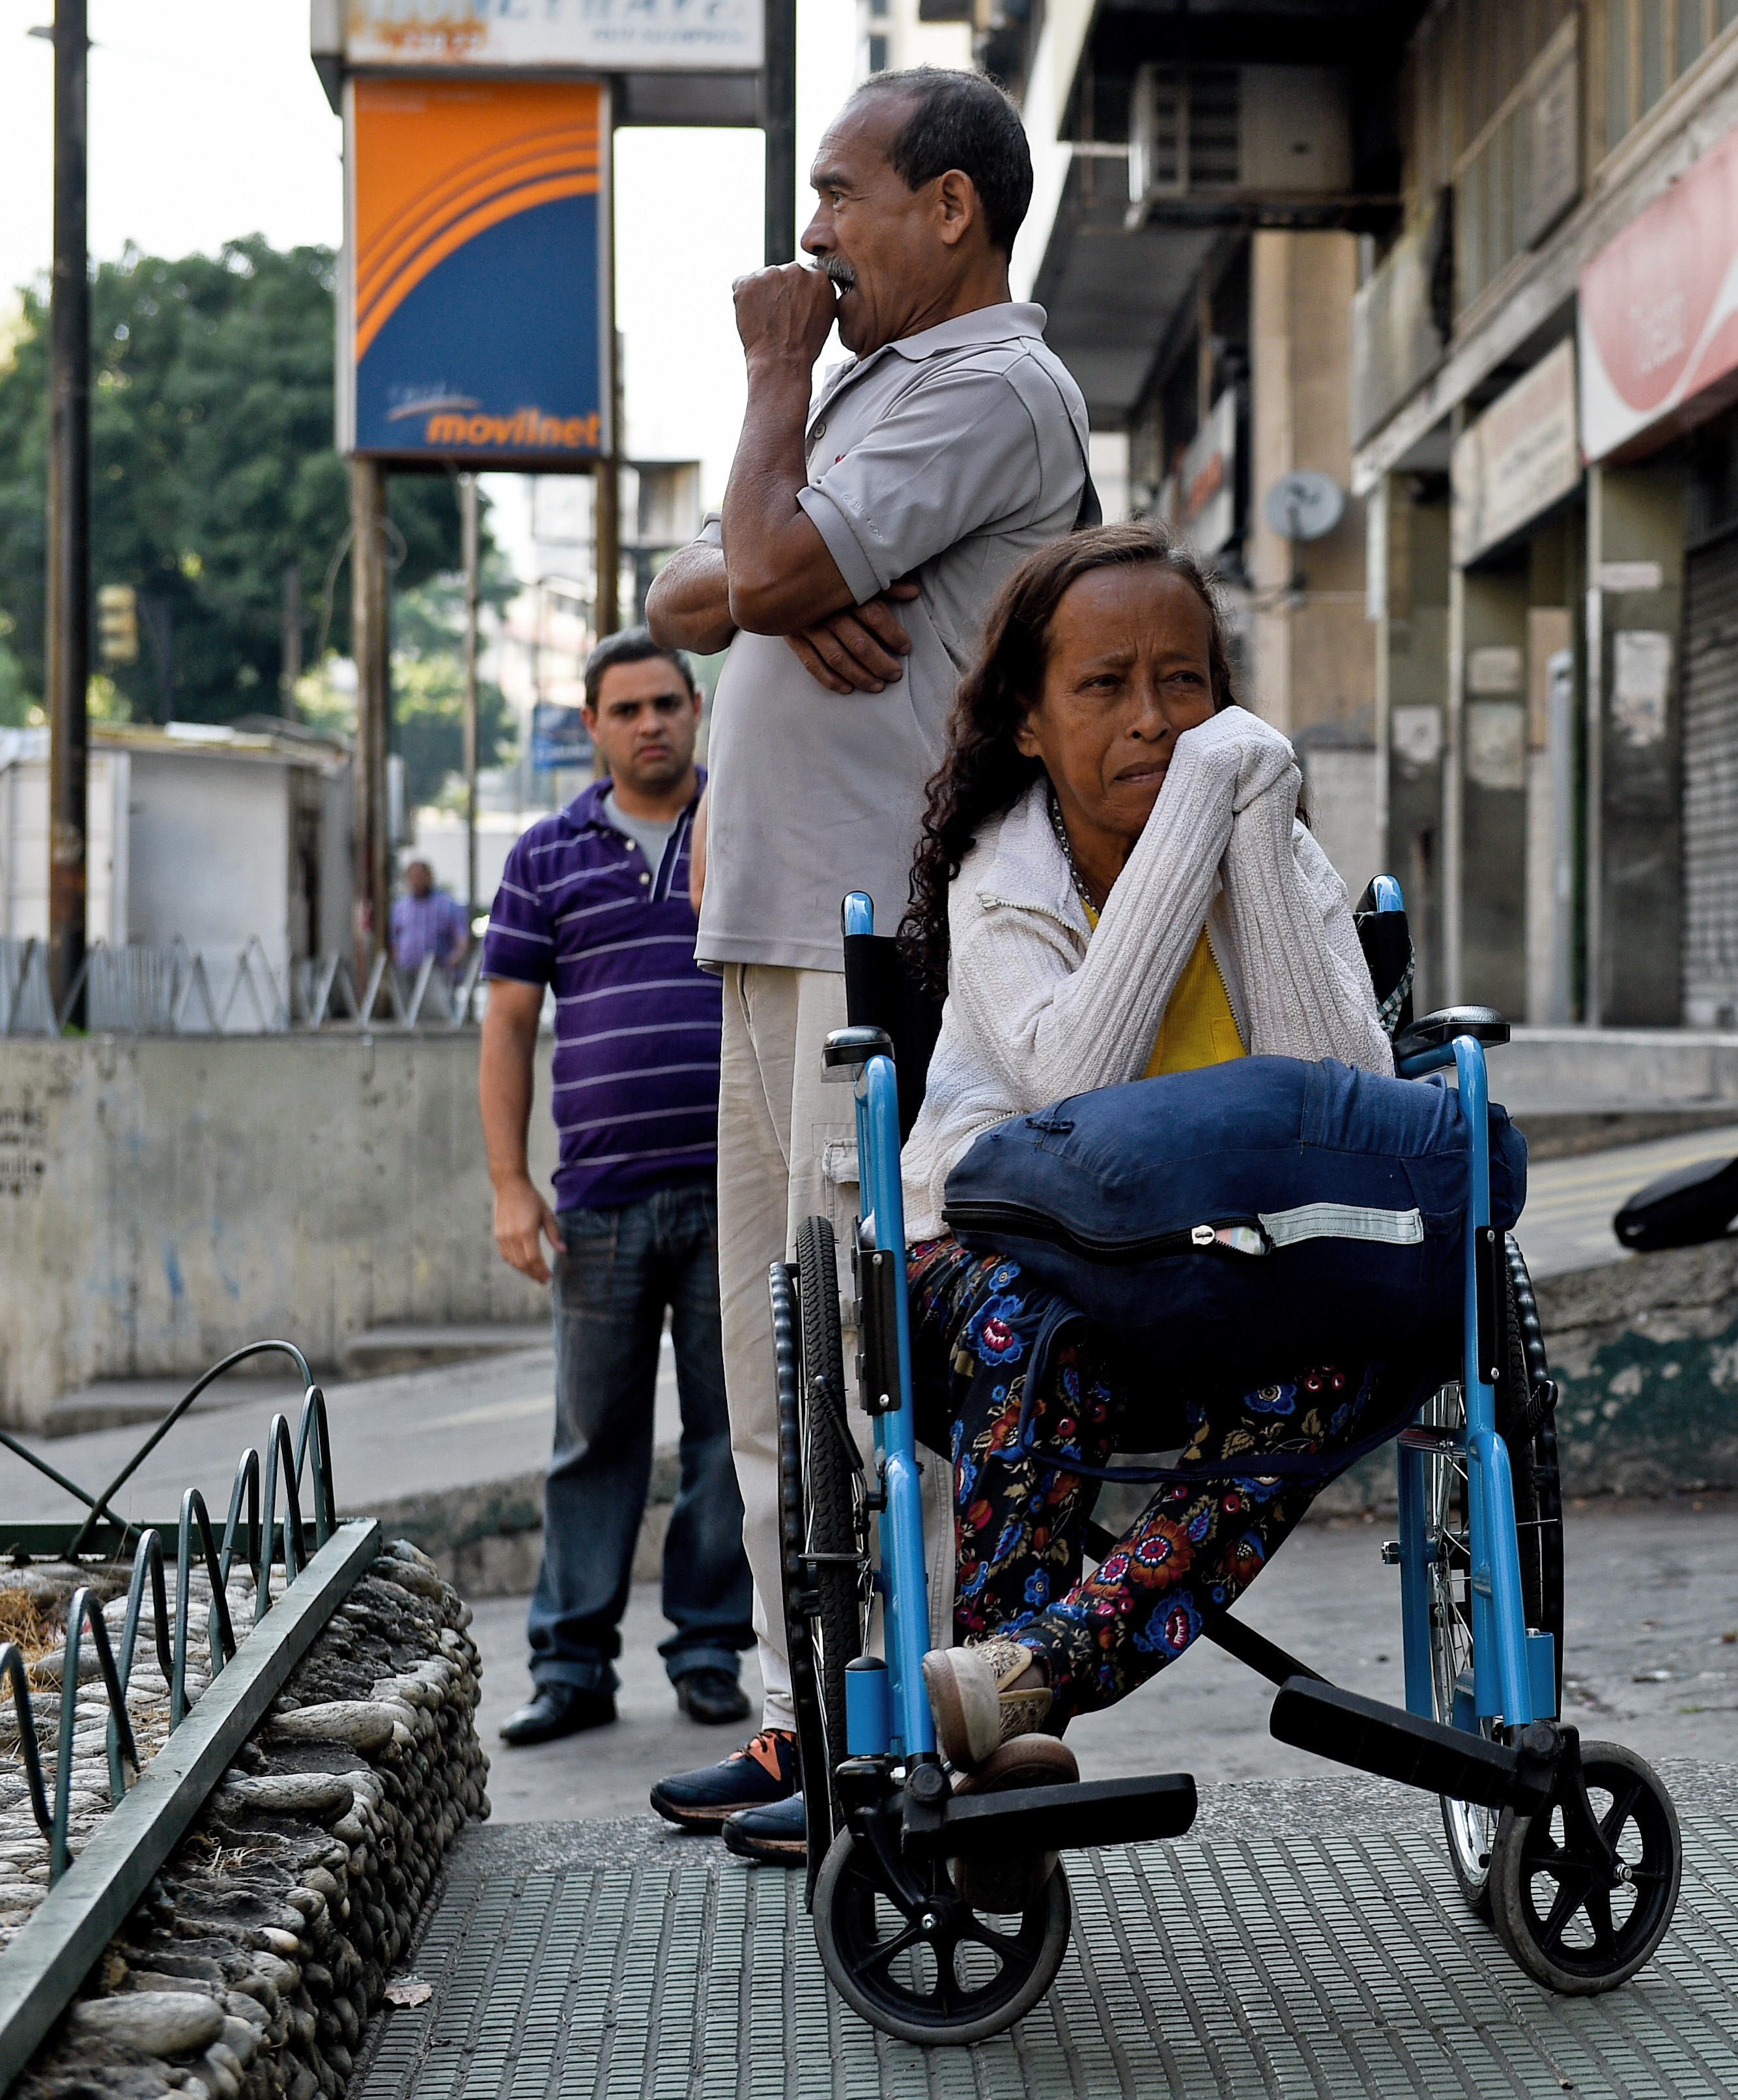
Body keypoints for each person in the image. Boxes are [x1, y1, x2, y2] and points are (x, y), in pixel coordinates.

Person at [642, 68, 1096, 1860]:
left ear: (951, 210)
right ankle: (798, 1720)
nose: (809, 237)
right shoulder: (878, 389)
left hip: (874, 945)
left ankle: (908, 1719)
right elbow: (692, 584)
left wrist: (769, 403)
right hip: (769, 936)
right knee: (776, 1368)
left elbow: (739, 563)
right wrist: (782, 568)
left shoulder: (987, 383)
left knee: (861, 1362)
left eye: (839, 194)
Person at [882, 523, 1393, 1789]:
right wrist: (1188, 834)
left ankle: (1028, 1672)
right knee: (1037, 1321)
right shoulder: (1002, 877)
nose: (1156, 722)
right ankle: (1013, 1725)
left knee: (1373, 1338)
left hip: (1226, 1266)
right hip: (1014, 1254)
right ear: (1027, 722)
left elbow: (1347, 1107)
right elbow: (1075, 1105)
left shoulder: (1272, 833)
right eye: (1103, 687)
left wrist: (1251, 838)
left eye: (1185, 684)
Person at [479, 631, 752, 1748]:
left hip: (736, 1189)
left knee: (733, 1438)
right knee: (592, 1438)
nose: (650, 723)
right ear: (590, 725)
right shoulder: (546, 855)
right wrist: (509, 1182)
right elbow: (507, 1022)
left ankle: (707, 1649)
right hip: (595, 1200)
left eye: (667, 703)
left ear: (698, 708)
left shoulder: (742, 831)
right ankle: (572, 1665)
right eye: (625, 707)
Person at [390, 860, 468, 978]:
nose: (416, 881)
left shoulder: (447, 904)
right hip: (407, 971)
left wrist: (456, 958)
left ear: (429, 877)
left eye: (420, 877)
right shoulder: (400, 906)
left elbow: (462, 936)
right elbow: (395, 938)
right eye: (413, 877)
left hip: (438, 971)